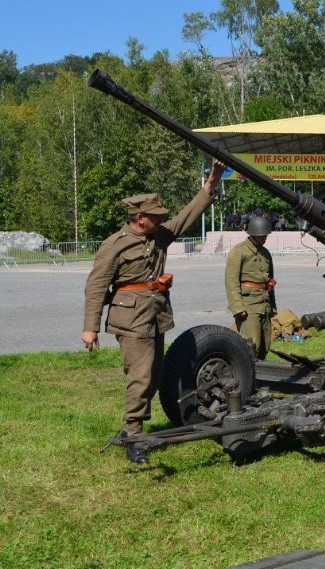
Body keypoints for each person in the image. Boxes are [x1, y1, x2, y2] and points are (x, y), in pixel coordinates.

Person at [81, 160, 226, 463]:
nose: (161, 221)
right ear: (140, 218)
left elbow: (185, 218)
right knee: (141, 376)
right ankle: (133, 434)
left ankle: (134, 427)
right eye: (155, 217)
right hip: (130, 318)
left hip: (154, 316)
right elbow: (96, 286)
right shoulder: (114, 246)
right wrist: (90, 327)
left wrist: (210, 185)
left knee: (155, 375)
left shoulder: (158, 235)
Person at [225, 216, 277, 360]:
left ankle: (260, 377)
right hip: (248, 306)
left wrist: (272, 306)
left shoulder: (265, 253)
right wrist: (237, 307)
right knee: (251, 345)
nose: (265, 238)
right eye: (263, 236)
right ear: (254, 235)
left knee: (265, 345)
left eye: (266, 235)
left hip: (264, 304)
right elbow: (231, 281)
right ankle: (247, 379)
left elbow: (270, 282)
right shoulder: (239, 252)